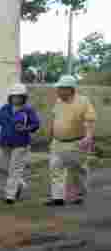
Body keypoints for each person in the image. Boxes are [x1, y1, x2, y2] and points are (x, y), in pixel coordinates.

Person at [45, 75, 97, 206]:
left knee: (78, 171)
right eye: (58, 88)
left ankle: (79, 195)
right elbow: (54, 118)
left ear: (70, 89)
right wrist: (50, 136)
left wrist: (89, 136)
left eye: (61, 88)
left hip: (77, 143)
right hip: (58, 142)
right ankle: (57, 198)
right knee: (55, 168)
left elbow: (89, 120)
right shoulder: (58, 101)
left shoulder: (83, 101)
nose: (58, 91)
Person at [0, 83, 41, 204]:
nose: (16, 99)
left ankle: (10, 195)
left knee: (14, 169)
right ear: (10, 97)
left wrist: (25, 128)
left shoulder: (28, 110)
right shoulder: (4, 109)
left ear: (24, 97)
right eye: (14, 96)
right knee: (5, 168)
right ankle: (19, 184)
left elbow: (36, 124)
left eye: (19, 96)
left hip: (21, 144)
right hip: (4, 144)